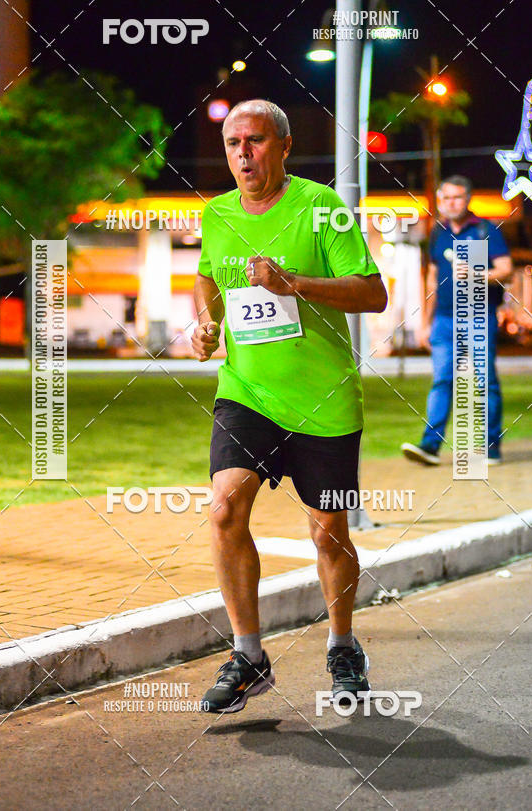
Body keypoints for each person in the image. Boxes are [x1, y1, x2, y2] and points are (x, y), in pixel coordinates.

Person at [191, 99, 387, 713]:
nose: (242, 155)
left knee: (328, 534)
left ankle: (342, 644)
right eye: (231, 143)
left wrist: (294, 284)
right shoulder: (218, 213)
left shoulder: (321, 207)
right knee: (224, 509)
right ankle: (248, 654)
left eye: (253, 142)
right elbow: (207, 276)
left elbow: (373, 294)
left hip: (322, 400)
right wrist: (205, 321)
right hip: (246, 392)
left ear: (283, 145)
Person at [401, 175, 513, 467]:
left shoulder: (485, 230)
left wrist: (478, 274)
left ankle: (491, 448)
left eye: (457, 197)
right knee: (442, 381)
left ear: (468, 199)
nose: (451, 203)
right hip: (443, 321)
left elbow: (506, 270)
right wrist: (424, 322)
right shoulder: (438, 232)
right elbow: (432, 280)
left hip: (478, 317)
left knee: (484, 382)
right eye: (446, 198)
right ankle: (430, 446)